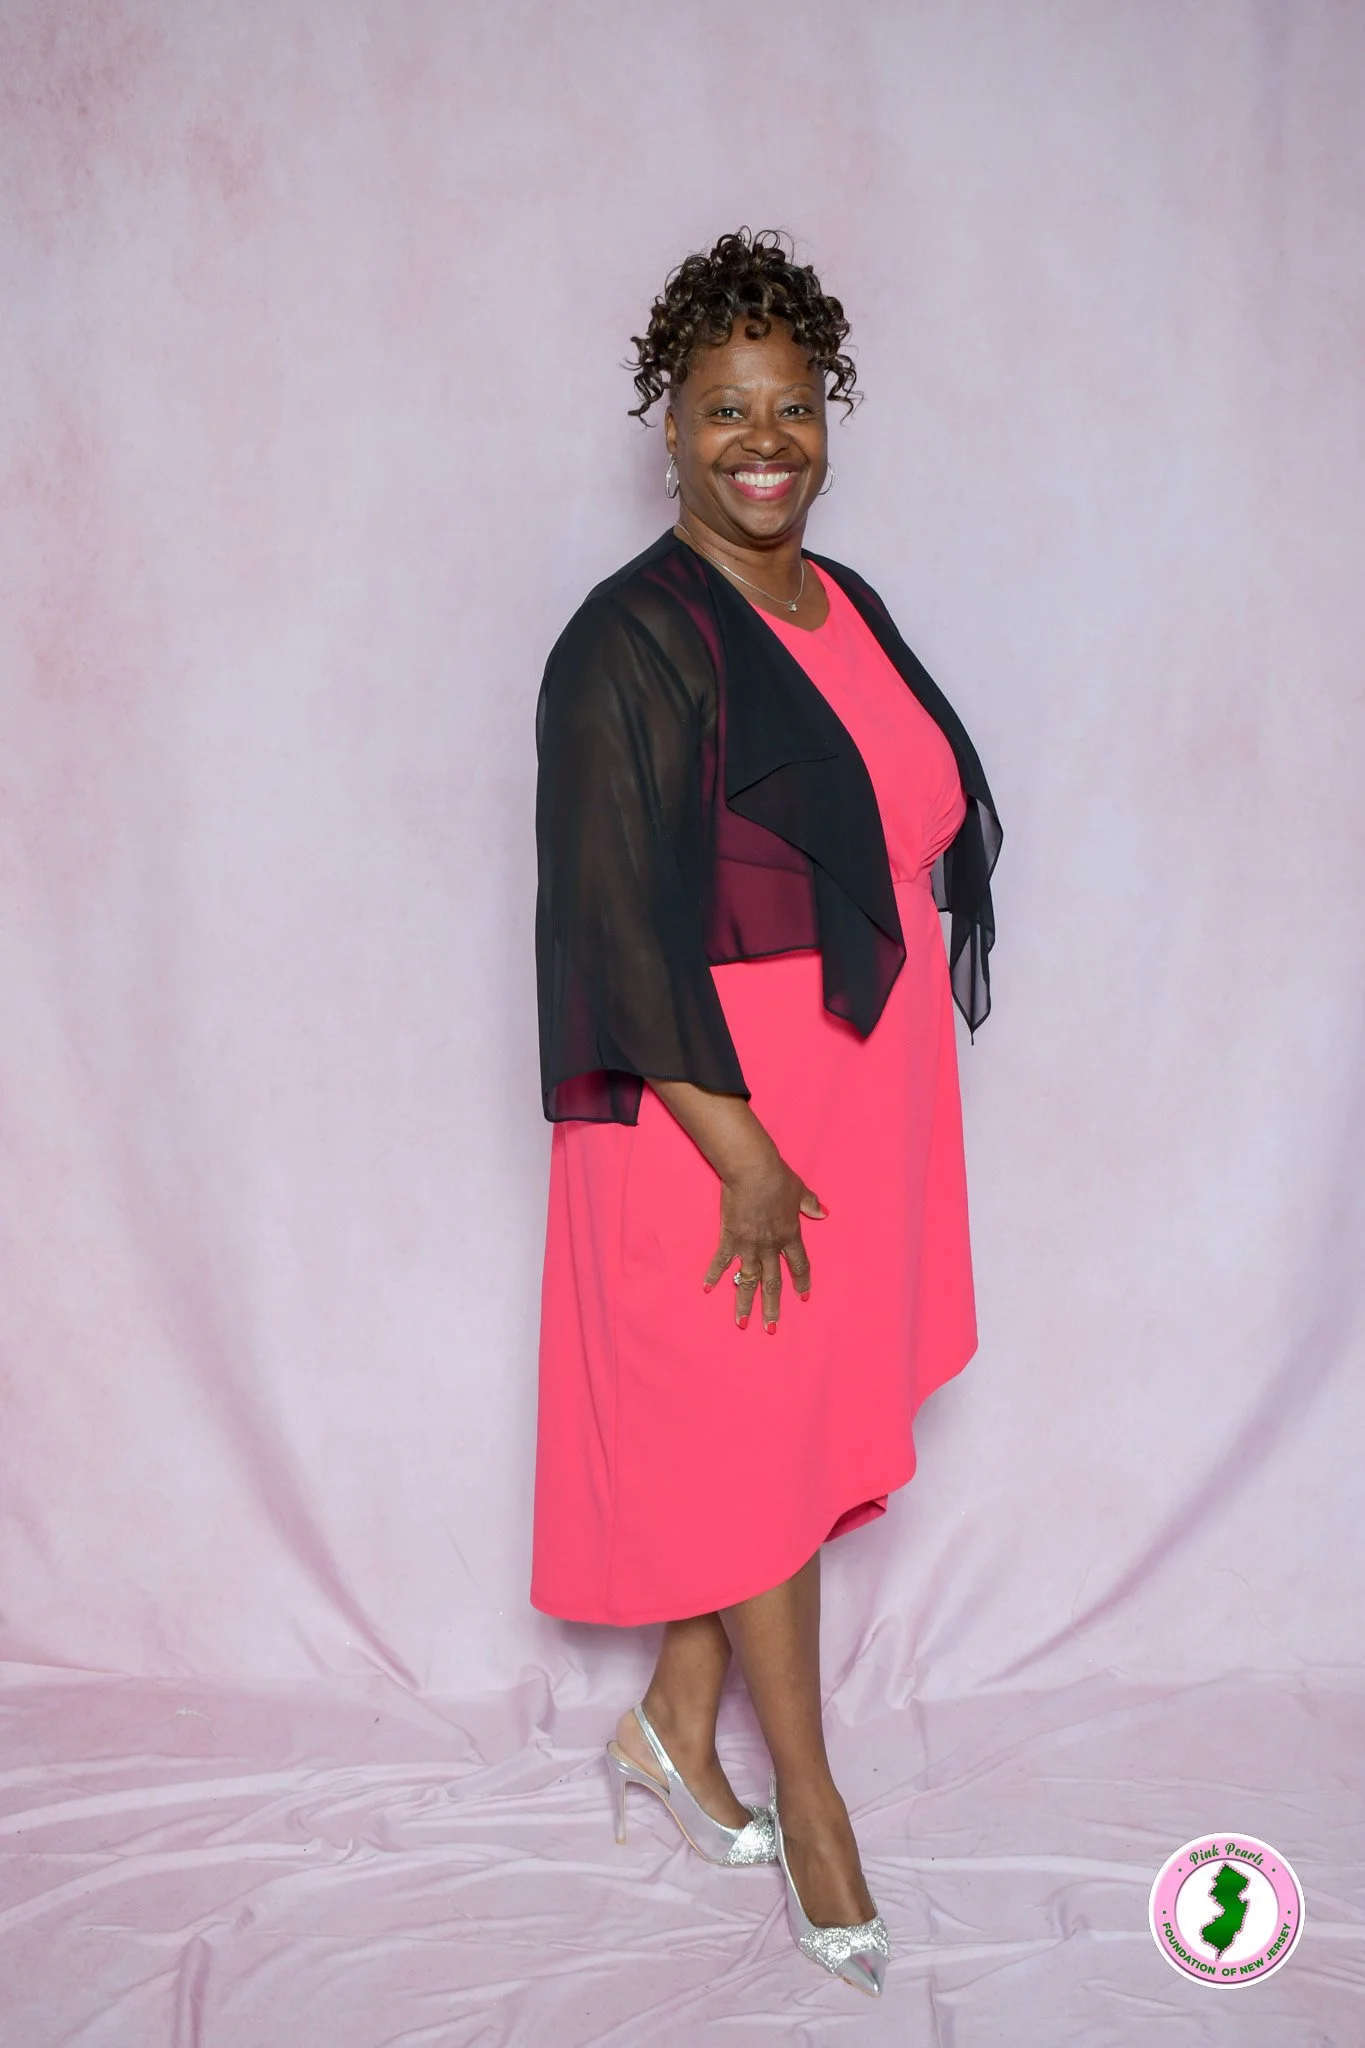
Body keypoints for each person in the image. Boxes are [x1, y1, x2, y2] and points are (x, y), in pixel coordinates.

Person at [530, 228, 1001, 1996]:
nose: (762, 442)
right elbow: (608, 925)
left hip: (853, 1093)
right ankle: (813, 1802)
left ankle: (673, 1718)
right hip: (716, 1114)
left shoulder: (842, 601)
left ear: (828, 417)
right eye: (726, 408)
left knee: (777, 1437)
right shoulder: (628, 640)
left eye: (792, 408)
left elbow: (906, 821)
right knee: (754, 1448)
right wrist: (739, 1150)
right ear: (668, 424)